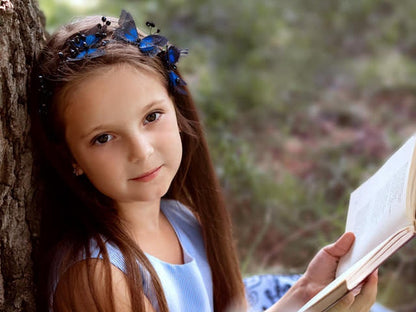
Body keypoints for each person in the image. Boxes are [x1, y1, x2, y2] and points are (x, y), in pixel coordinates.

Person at [30, 10, 378, 312]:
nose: (141, 151)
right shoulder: (100, 278)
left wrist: (305, 294)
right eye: (103, 138)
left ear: (176, 109)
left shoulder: (182, 219)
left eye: (152, 117)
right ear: (70, 157)